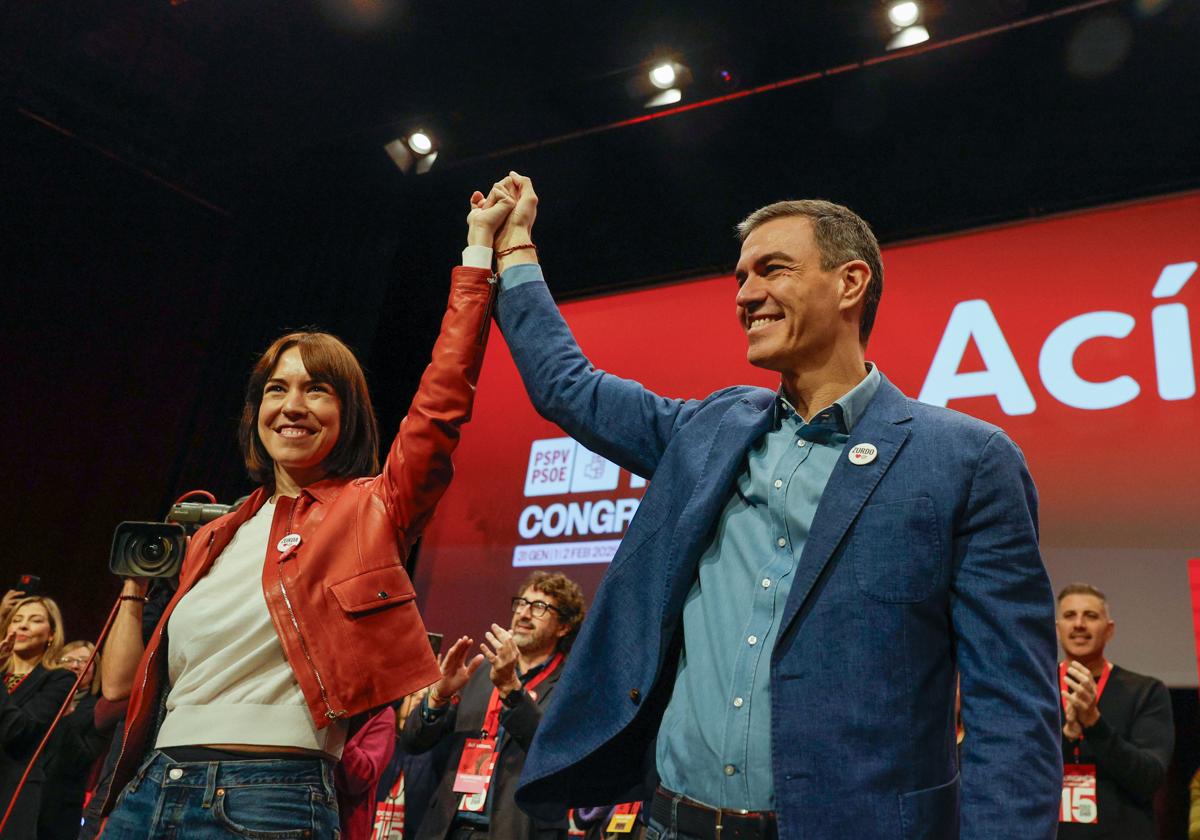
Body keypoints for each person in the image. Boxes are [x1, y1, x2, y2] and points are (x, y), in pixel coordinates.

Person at [488, 173, 1062, 840]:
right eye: (740, 278)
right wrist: (515, 250)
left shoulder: (968, 461)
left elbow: (1014, 709)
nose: (745, 295)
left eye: (772, 270)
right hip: (669, 824)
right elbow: (568, 386)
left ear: (851, 283)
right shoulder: (708, 431)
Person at [96, 182, 516, 838]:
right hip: (152, 788)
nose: (292, 404)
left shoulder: (371, 508)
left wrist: (477, 251)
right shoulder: (215, 535)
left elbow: (440, 403)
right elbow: (123, 691)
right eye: (276, 388)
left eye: (317, 389)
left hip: (269, 795)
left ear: (347, 416)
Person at [403, 571, 586, 840]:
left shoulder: (573, 685)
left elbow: (554, 753)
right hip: (448, 828)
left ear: (564, 627)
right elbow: (413, 742)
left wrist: (512, 689)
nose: (524, 613)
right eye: (522, 604)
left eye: (539, 607)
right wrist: (438, 698)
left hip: (518, 831)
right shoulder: (481, 672)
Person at [1056, 583, 1173, 838]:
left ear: (1109, 630)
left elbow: (1149, 779)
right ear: (1057, 629)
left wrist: (1094, 722)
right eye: (1069, 615)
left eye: (1090, 616)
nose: (1079, 624)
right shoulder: (1038, 690)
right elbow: (1021, 773)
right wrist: (1066, 736)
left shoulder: (1146, 691)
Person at [0, 596, 75, 839]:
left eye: (35, 620)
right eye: (17, 620)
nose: (22, 626)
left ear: (52, 634)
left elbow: (16, 730)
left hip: (11, 792)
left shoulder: (59, 679)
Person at [38, 640, 112, 839]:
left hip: (57, 810)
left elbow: (83, 758)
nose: (75, 665)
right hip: (23, 796)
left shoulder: (99, 710)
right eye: (68, 659)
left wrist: (66, 717)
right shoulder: (40, 696)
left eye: (83, 661)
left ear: (94, 670)